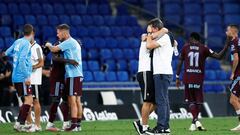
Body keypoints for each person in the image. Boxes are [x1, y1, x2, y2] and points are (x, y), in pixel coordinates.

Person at [175, 32, 230, 131]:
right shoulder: (204, 48)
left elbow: (180, 62)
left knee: (191, 100)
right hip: (198, 78)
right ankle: (196, 121)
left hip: (187, 77)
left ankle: (194, 121)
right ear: (199, 40)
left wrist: (177, 77)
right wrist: (226, 45)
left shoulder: (185, 47)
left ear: (191, 38)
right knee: (198, 101)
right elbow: (219, 57)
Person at [46, 24, 83, 132]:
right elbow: (56, 57)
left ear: (64, 32)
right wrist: (69, 61)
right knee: (74, 100)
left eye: (58, 32)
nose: (57, 35)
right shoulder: (73, 42)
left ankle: (74, 124)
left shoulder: (68, 42)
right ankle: (76, 124)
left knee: (72, 99)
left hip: (73, 74)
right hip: (73, 74)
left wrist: (48, 44)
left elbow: (53, 49)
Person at [133, 27, 168, 135]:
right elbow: (151, 36)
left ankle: (140, 122)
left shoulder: (150, 38)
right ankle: (144, 127)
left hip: (150, 73)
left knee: (156, 101)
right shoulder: (148, 38)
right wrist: (164, 30)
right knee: (147, 101)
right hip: (145, 71)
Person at [145, 18, 174, 135]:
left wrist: (148, 34)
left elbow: (148, 45)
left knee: (161, 101)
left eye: (151, 28)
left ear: (156, 28)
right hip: (163, 72)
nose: (150, 31)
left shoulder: (164, 37)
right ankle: (165, 127)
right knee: (164, 100)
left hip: (162, 72)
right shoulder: (164, 36)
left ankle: (161, 127)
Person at [4, 24, 34, 132]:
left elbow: (7, 52)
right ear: (31, 33)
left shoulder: (18, 42)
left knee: (25, 100)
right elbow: (21, 60)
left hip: (15, 76)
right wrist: (27, 77)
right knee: (29, 99)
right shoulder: (26, 44)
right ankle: (20, 123)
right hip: (22, 77)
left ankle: (20, 123)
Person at [25, 29, 44, 132]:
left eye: (30, 34)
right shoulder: (25, 47)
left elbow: (41, 63)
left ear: (33, 34)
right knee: (27, 102)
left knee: (35, 101)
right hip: (26, 79)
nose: (28, 36)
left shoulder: (37, 48)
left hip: (34, 80)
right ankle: (29, 123)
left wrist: (31, 67)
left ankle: (37, 125)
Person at [227, 25, 240, 131]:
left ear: (233, 31)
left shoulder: (235, 42)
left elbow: (236, 58)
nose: (226, 32)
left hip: (238, 74)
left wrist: (233, 72)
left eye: (228, 30)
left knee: (233, 100)